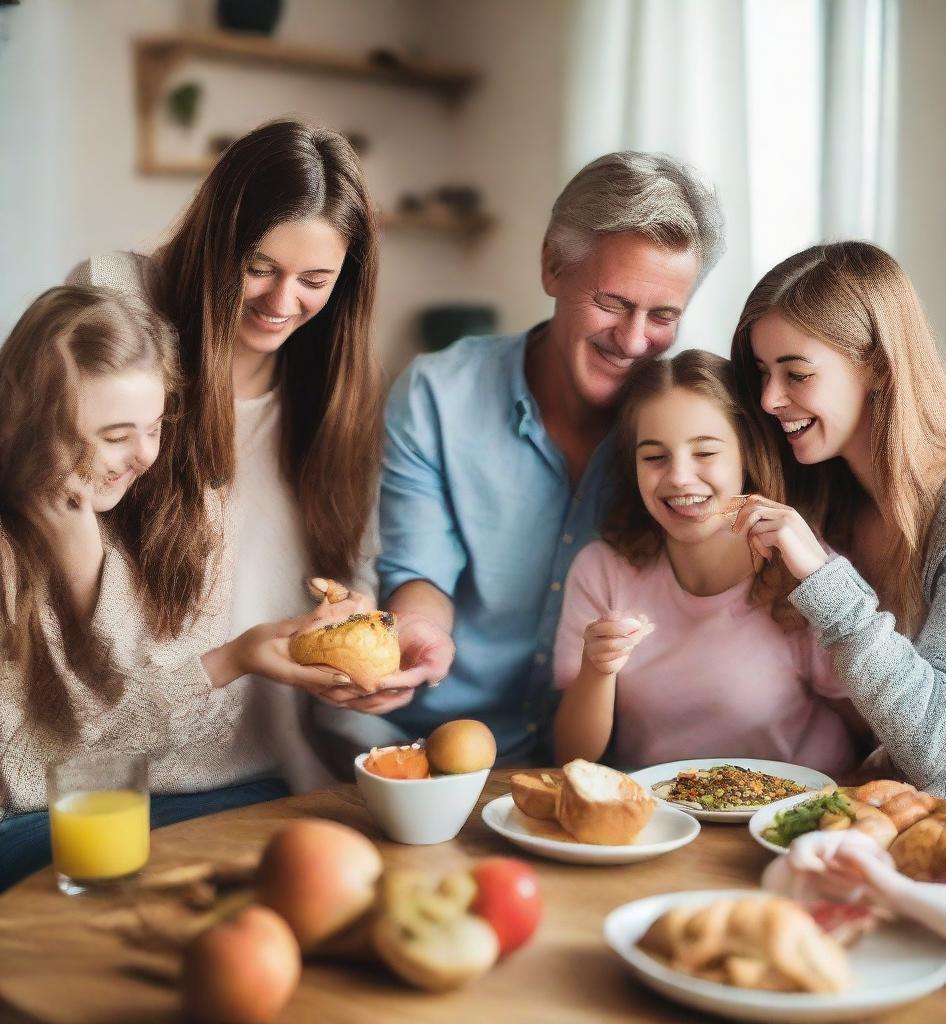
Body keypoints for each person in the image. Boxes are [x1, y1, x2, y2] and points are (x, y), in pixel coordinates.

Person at [345, 152, 726, 762]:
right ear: (553, 265)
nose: (633, 341)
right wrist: (417, 634)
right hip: (434, 744)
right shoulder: (438, 394)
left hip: (610, 761)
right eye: (611, 302)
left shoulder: (695, 434)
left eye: (662, 316)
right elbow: (421, 570)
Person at [69, 120, 387, 788]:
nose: (281, 301)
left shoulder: (331, 404)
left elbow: (351, 580)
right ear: (218, 245)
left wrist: (358, 659)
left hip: (267, 775)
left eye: (315, 279)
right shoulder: (130, 321)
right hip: (109, 776)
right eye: (258, 268)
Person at [0, 286, 315, 889]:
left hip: (210, 787)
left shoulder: (181, 510)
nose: (145, 455)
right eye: (116, 436)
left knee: (303, 855)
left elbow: (164, 729)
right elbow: (35, 770)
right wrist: (82, 570)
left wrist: (237, 657)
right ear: (34, 427)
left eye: (156, 425)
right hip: (38, 820)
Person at [729, 240, 946, 797]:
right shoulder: (828, 500)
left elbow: (941, 750)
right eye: (763, 371)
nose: (769, 398)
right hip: (874, 802)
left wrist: (823, 581)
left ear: (880, 368)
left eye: (796, 373)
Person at [552, 350, 863, 773]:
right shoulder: (602, 571)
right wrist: (596, 667)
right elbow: (573, 757)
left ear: (745, 456)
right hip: (661, 817)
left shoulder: (803, 568)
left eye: (705, 452)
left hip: (792, 815)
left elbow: (873, 734)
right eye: (654, 457)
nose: (679, 477)